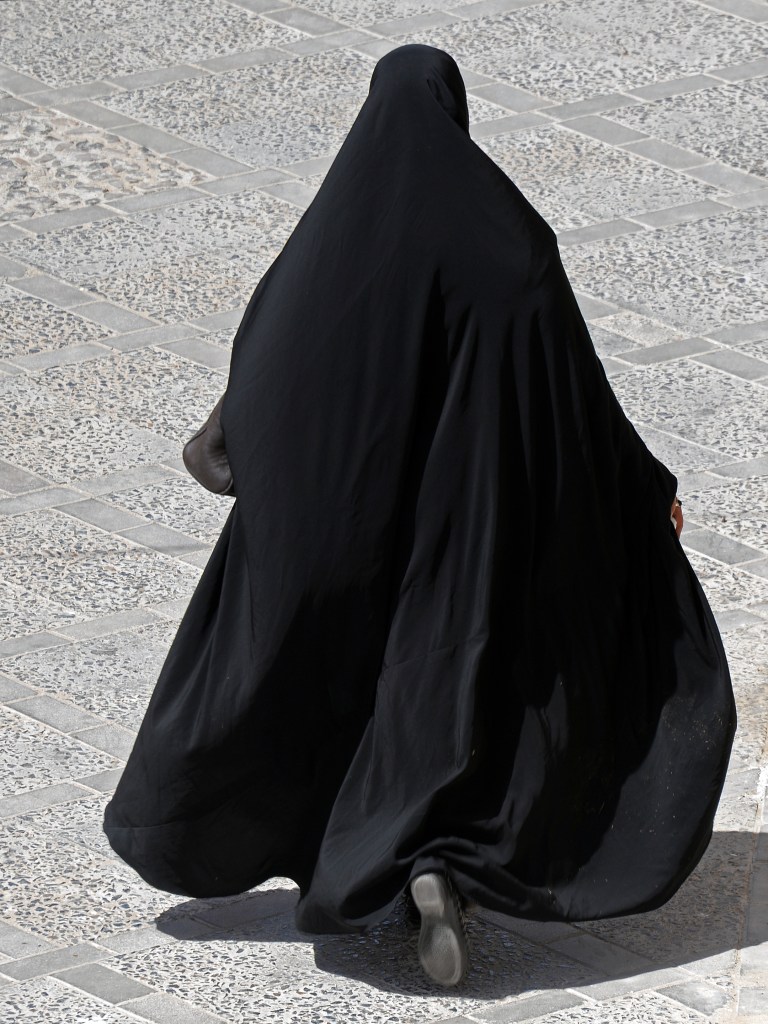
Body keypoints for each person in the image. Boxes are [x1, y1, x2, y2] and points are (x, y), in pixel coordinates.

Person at [103, 44, 736, 987]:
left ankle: (386, 864)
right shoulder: (509, 237)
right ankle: (442, 859)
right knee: (468, 695)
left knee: (352, 691)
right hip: (482, 536)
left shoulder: (337, 240)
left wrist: (228, 447)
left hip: (358, 537)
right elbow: (572, 390)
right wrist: (644, 486)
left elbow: (267, 380)